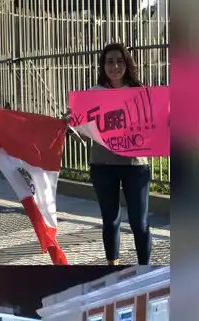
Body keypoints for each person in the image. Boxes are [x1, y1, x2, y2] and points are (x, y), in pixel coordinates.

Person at [82, 42, 151, 265]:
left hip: (135, 165)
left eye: (120, 61)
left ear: (127, 64)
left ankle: (144, 268)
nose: (115, 66)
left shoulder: (140, 92)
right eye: (110, 62)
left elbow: (155, 122)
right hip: (103, 165)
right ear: (103, 66)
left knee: (139, 223)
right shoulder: (93, 94)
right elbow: (82, 127)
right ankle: (113, 266)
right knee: (110, 221)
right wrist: (72, 120)